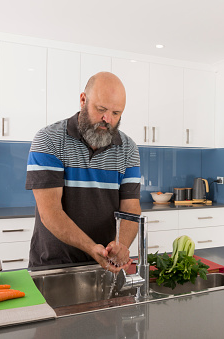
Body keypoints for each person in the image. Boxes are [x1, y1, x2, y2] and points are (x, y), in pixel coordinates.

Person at [25, 72, 141, 273]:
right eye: (101, 109)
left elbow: (130, 208)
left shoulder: (128, 148)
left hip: (105, 265)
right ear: (83, 100)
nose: (107, 119)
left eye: (116, 113)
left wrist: (120, 245)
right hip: (54, 266)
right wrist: (91, 248)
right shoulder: (49, 140)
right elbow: (50, 212)